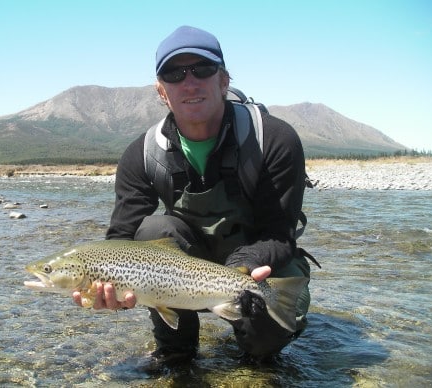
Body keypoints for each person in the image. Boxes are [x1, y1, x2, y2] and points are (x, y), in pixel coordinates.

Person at [73, 25, 312, 365]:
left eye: (202, 69)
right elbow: (120, 241)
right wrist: (107, 288)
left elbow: (279, 234)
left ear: (224, 80)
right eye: (174, 73)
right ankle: (176, 352)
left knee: (262, 347)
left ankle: (264, 339)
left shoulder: (273, 139)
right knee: (152, 231)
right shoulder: (141, 154)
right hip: (184, 269)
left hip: (257, 263)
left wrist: (241, 271)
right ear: (161, 90)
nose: (189, 82)